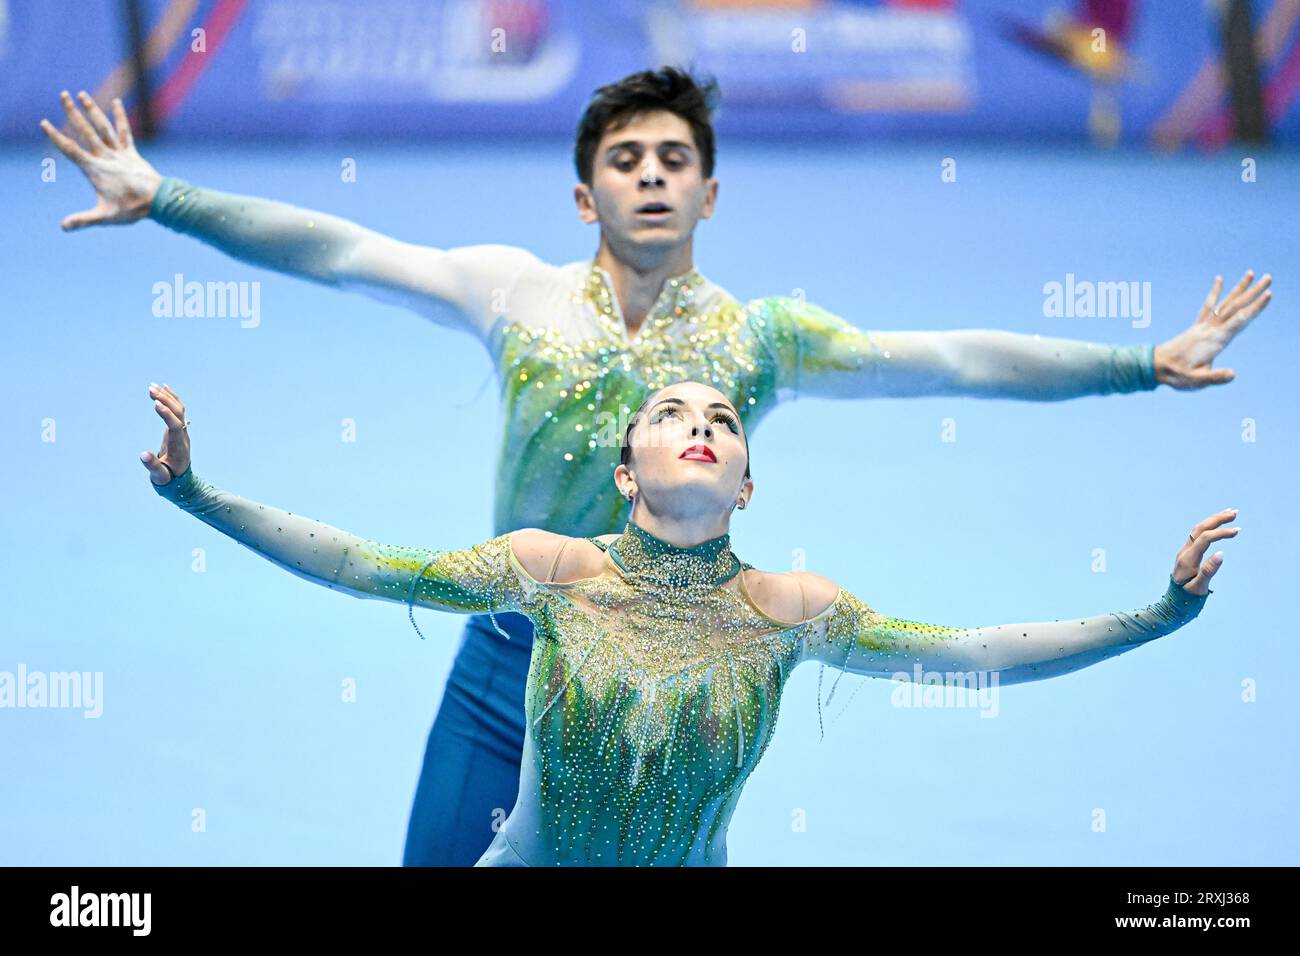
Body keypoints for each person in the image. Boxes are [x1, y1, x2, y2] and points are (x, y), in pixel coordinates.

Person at [45, 68, 1271, 865]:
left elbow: (950, 356)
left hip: (695, 657)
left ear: (709, 189)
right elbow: (342, 246)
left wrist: (1138, 362)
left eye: (672, 157)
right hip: (509, 645)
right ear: (585, 192)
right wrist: (164, 199)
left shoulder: (760, 340)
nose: (648, 173)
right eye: (624, 158)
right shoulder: (511, 294)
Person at [139, 378, 1233, 866]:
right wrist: (198, 495)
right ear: (626, 472)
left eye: (722, 418)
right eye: (671, 414)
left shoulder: (791, 609)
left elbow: (973, 654)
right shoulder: (548, 567)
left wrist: (1160, 612)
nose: (700, 425)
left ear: (747, 483)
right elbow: (363, 566)